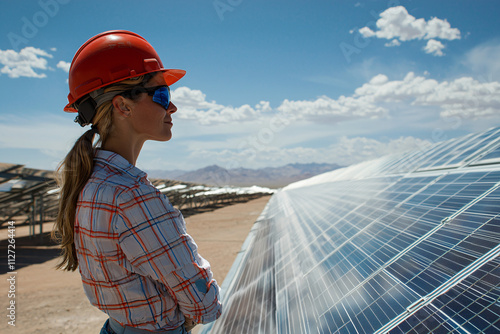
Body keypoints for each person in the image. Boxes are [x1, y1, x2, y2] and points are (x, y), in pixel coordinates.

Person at [52, 30, 222, 334]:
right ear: (123, 106)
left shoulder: (89, 183)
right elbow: (204, 305)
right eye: (162, 95)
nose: (172, 107)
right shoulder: (132, 195)